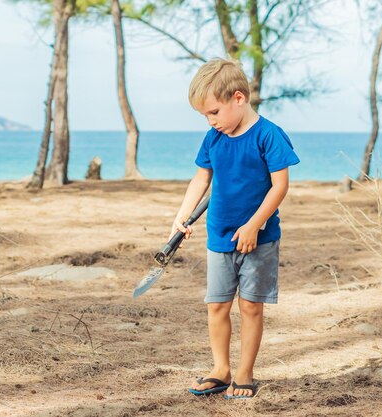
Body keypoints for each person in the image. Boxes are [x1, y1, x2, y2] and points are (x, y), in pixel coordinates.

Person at [170, 58, 300, 399]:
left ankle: (244, 372)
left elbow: (280, 186)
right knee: (217, 305)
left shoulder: (269, 135)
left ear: (238, 99)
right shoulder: (214, 138)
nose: (211, 122)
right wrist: (182, 215)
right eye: (205, 116)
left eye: (214, 112)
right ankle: (221, 369)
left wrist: (254, 225)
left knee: (251, 306)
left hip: (260, 239)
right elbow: (202, 177)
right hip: (219, 237)